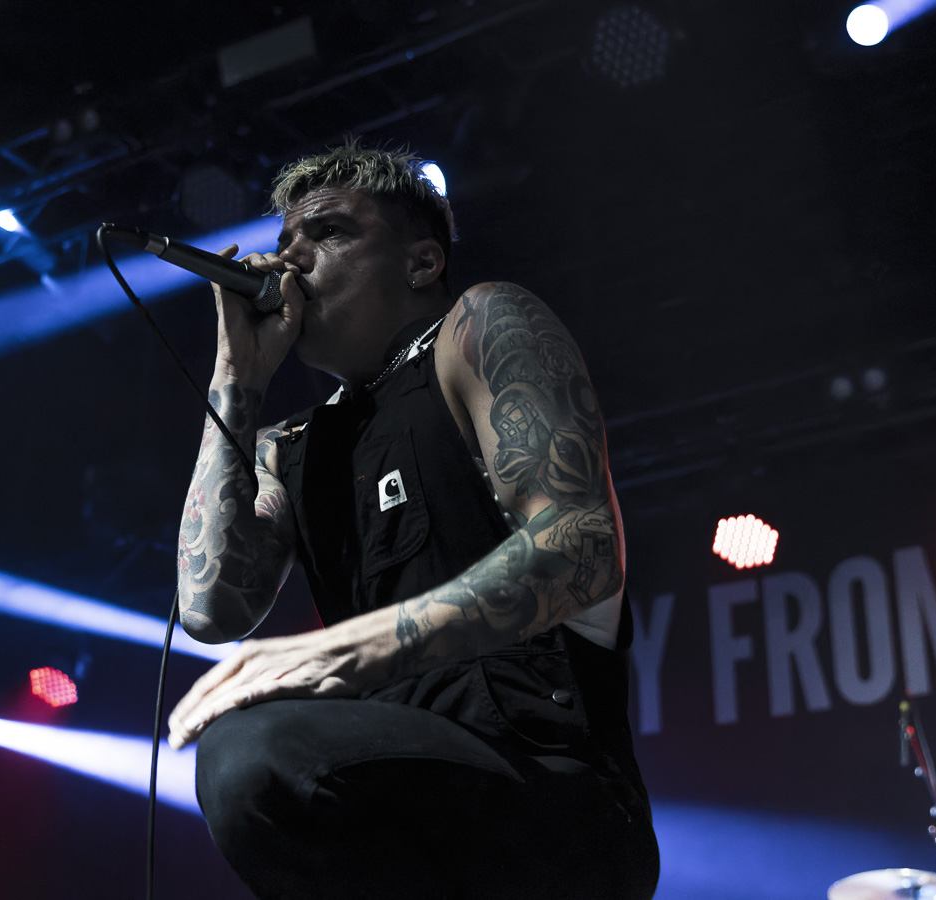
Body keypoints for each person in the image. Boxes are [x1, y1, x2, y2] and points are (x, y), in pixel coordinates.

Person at [167, 142, 659, 899]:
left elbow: (581, 546)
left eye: (329, 231)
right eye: (285, 239)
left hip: (548, 786)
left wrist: (343, 652)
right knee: (248, 758)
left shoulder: (480, 326)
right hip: (393, 777)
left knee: (257, 750)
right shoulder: (287, 447)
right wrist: (236, 376)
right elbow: (210, 609)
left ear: (422, 262)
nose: (290, 258)